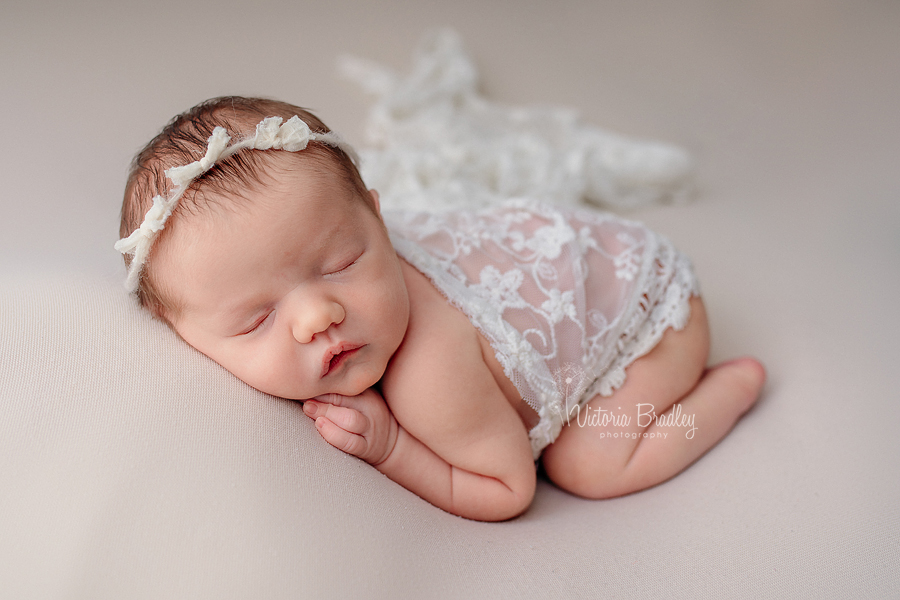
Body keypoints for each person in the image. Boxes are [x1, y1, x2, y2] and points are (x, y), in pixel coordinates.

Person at [117, 96, 766, 522]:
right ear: (185, 333)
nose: (318, 317)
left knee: (586, 464)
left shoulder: (431, 374)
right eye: (256, 318)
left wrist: (393, 446)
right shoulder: (319, 250)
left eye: (342, 263)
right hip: (579, 265)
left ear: (377, 214)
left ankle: (728, 392)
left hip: (649, 312)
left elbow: (508, 490)